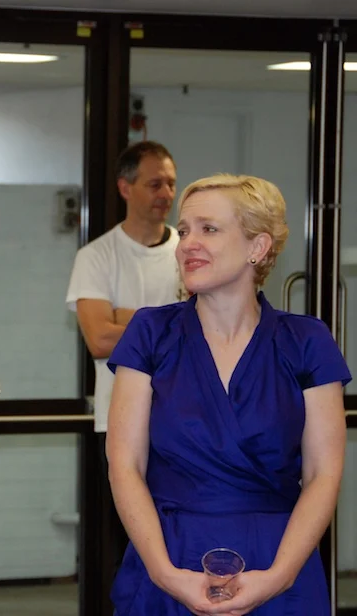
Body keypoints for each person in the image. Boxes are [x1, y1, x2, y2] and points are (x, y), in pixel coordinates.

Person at [106, 174, 350, 615]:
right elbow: (125, 464)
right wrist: (165, 573)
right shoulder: (150, 333)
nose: (186, 243)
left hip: (279, 563)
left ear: (257, 247)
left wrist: (280, 576)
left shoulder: (307, 341)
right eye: (184, 231)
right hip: (171, 557)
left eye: (209, 229)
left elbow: (323, 475)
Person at [65, 140, 180, 600]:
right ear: (124, 187)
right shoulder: (97, 256)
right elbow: (99, 339)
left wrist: (127, 316)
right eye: (155, 183)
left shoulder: (188, 253)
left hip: (183, 421)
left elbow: (209, 329)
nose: (166, 193)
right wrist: (169, 316)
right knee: (122, 547)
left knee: (175, 541)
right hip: (120, 424)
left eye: (171, 182)